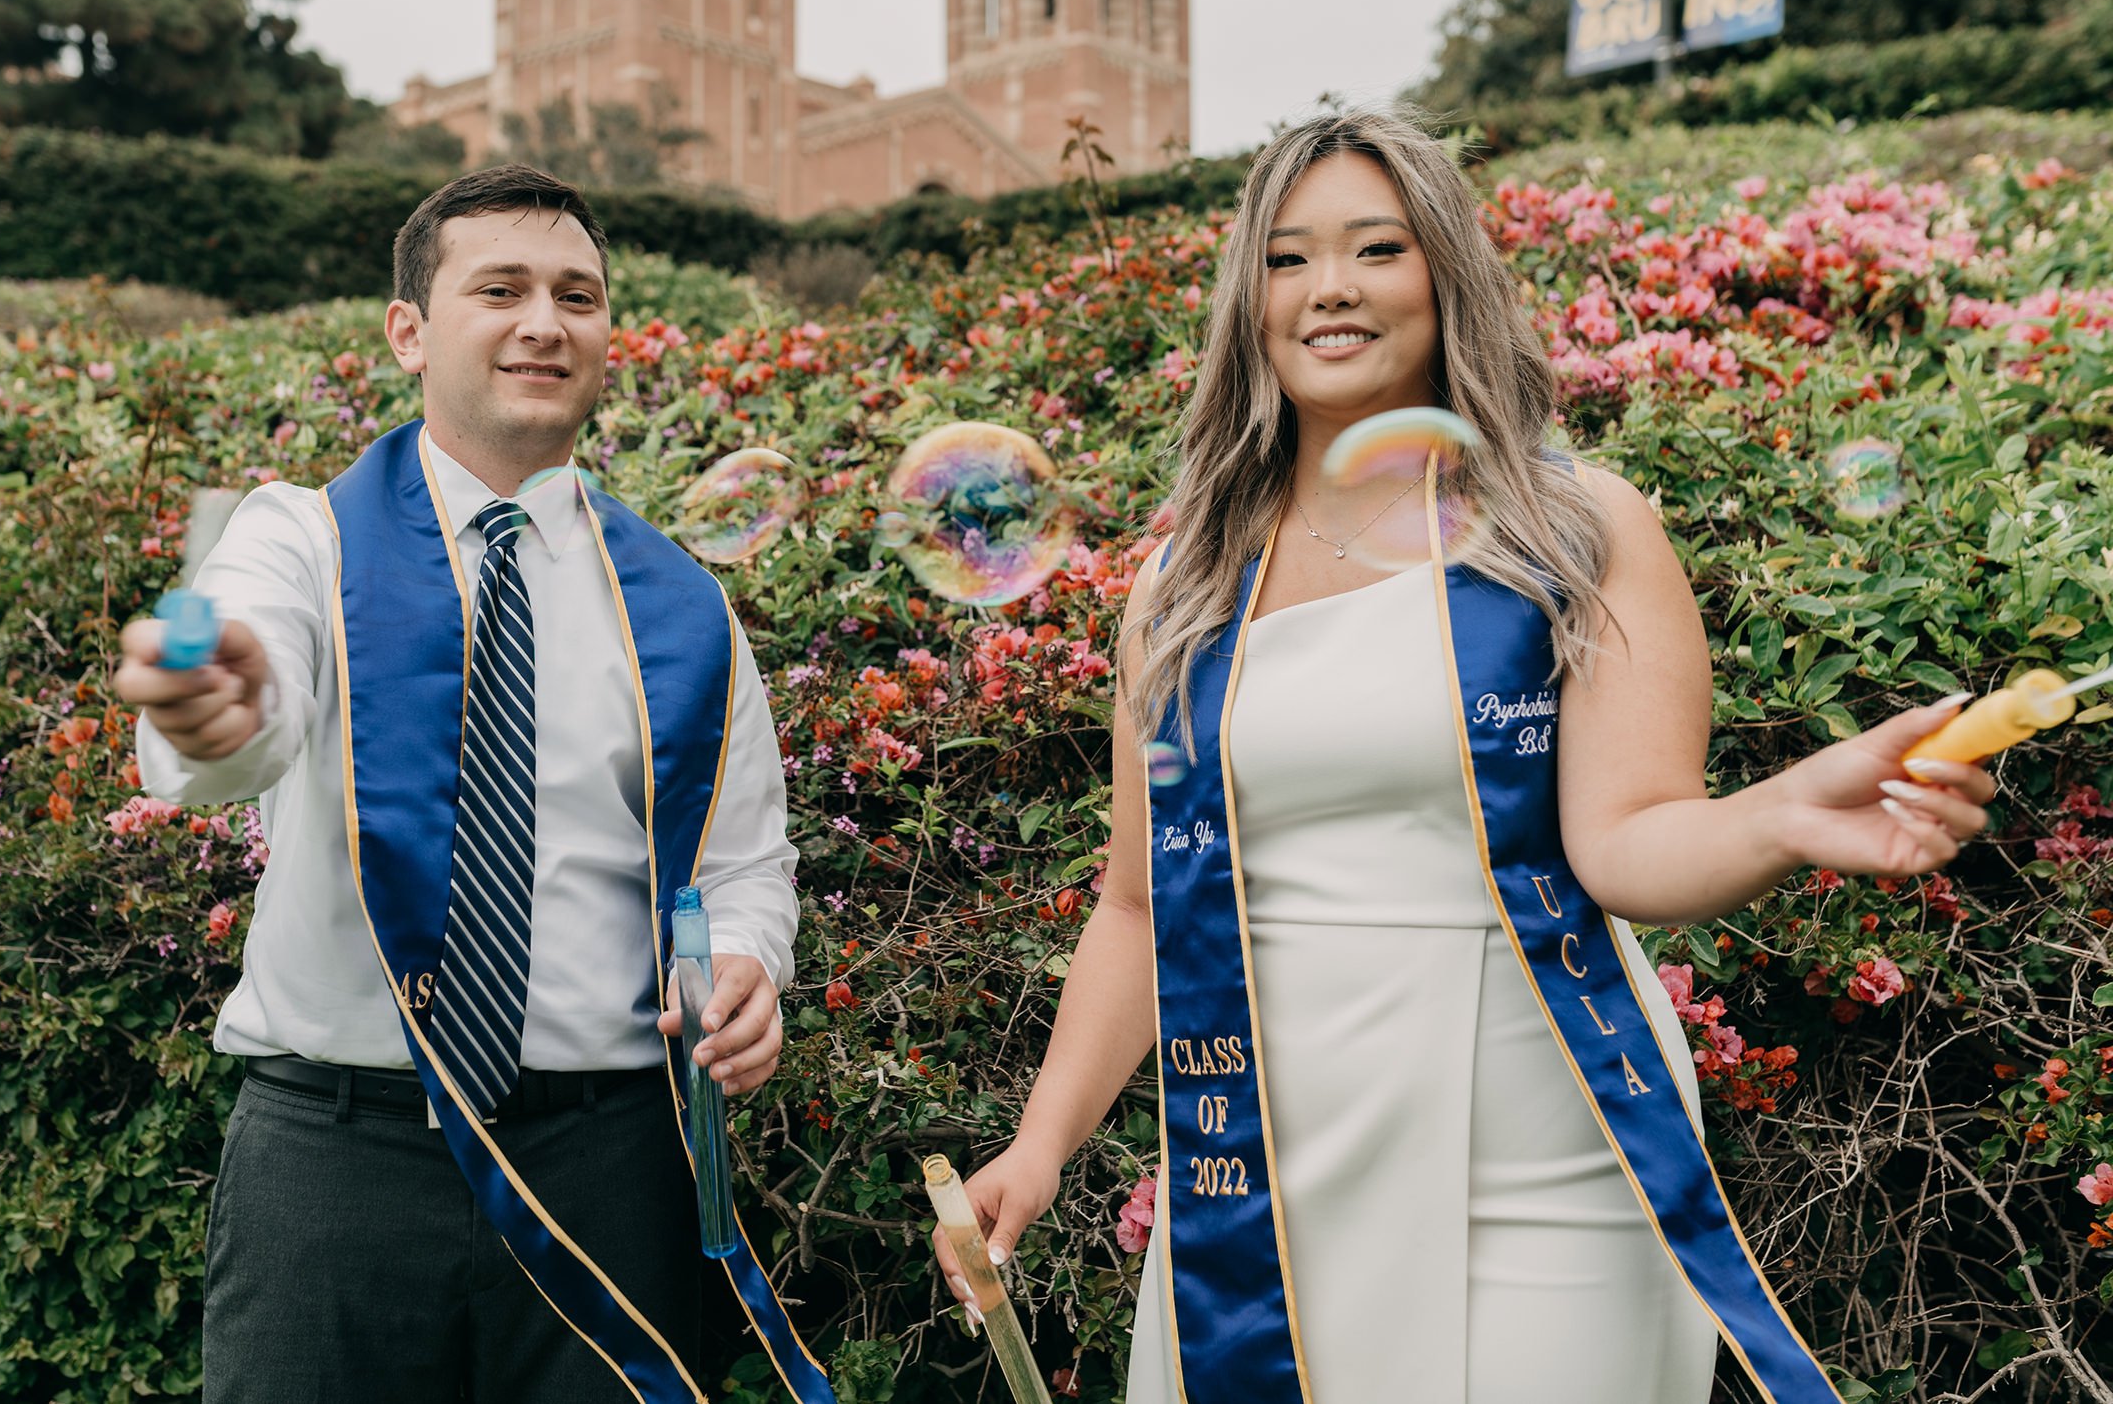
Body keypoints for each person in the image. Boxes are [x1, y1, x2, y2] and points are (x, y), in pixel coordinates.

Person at [936, 107, 1995, 1404]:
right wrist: (1041, 1147)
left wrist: (1785, 814)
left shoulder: (1571, 528)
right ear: (1247, 301)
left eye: (1377, 247)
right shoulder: (1184, 581)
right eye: (1286, 257)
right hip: (1265, 1162)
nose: (1330, 286)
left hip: (1541, 1146)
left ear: (1445, 272)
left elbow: (1628, 839)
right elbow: (1135, 902)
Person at [114, 165, 833, 1404]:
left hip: (607, 1165)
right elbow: (238, 715)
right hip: (342, 1163)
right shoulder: (304, 538)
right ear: (410, 329)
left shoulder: (682, 603)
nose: (543, 321)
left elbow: (744, 860)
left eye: (577, 294)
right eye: (499, 288)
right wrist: (214, 705)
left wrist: (753, 962)